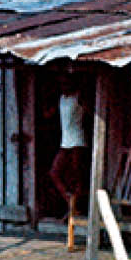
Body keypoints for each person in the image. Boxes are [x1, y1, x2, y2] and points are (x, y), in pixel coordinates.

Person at [48, 74, 90, 225]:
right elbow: (50, 114)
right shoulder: (62, 98)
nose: (63, 87)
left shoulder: (78, 97)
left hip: (78, 141)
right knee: (54, 173)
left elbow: (90, 112)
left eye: (66, 84)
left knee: (76, 177)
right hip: (65, 142)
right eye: (62, 84)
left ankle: (74, 208)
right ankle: (71, 202)